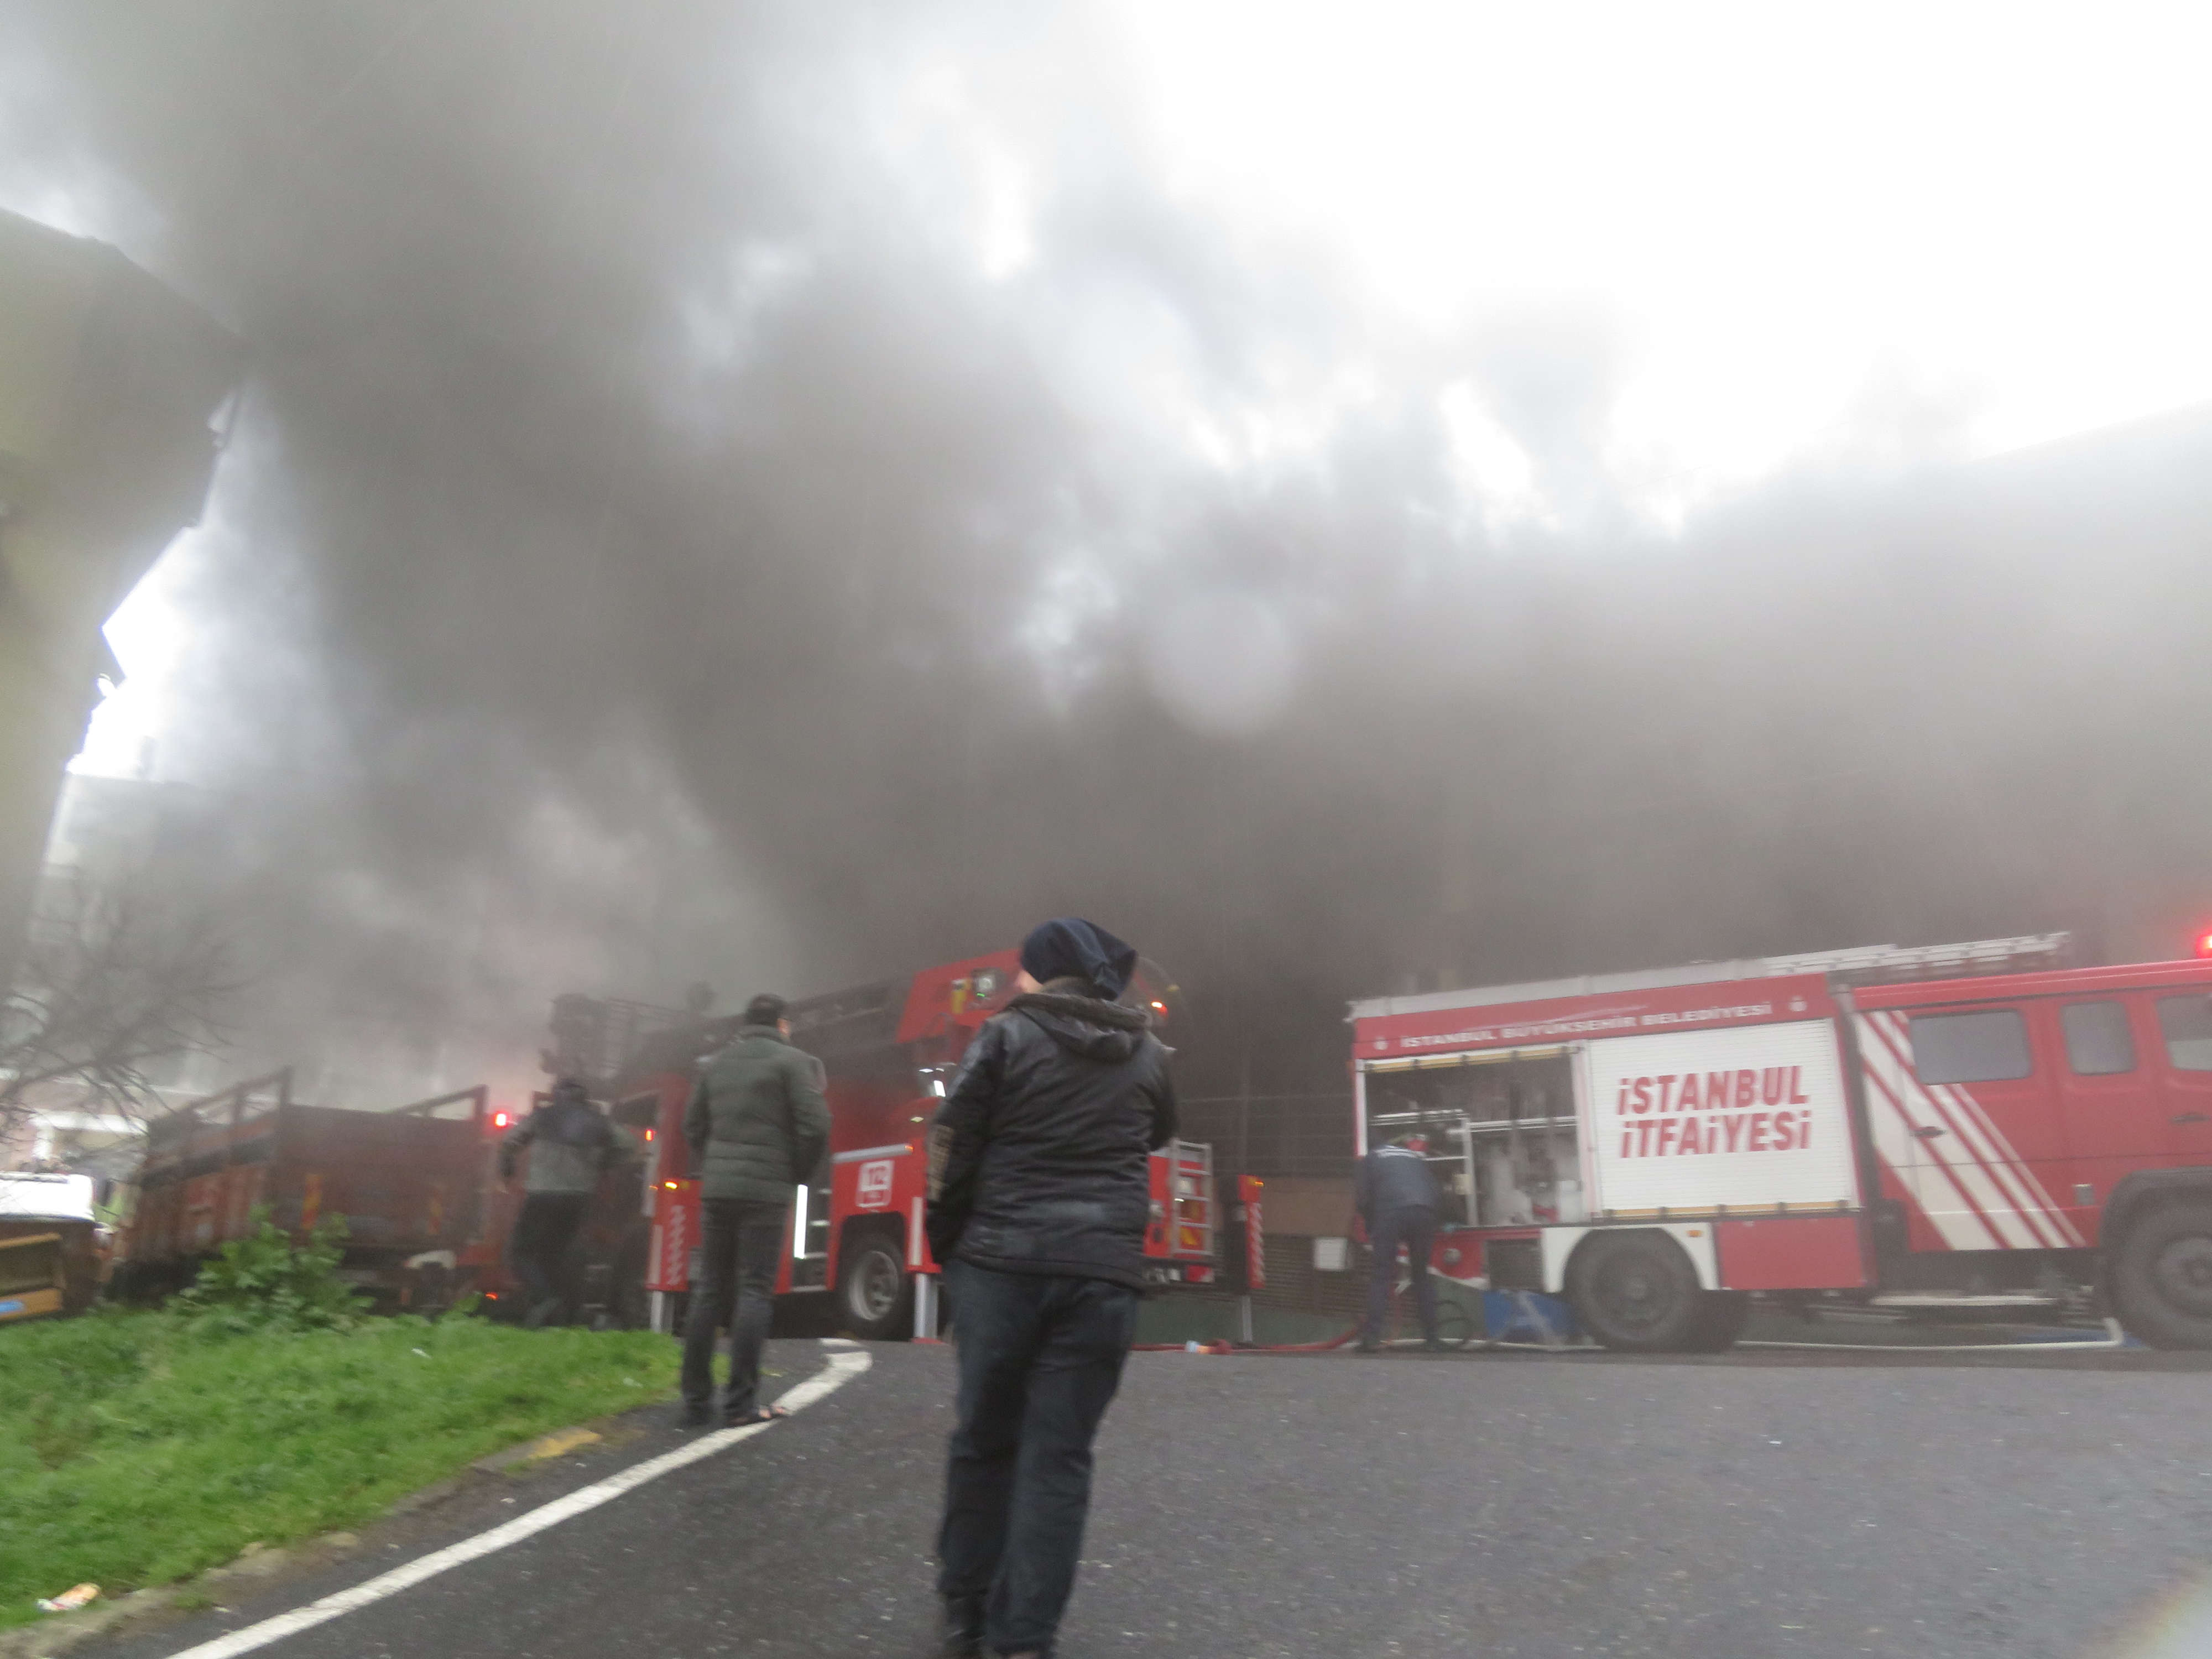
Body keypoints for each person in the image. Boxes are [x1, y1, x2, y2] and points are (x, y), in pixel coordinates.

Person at [926, 917, 1177, 1659]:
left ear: (1042, 974)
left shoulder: (1005, 1036)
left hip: (1002, 1267)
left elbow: (954, 1138)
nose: (1017, 982)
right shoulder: (1148, 1053)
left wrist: (952, 1246)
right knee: (1059, 1456)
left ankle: (969, 1612)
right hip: (1102, 1277)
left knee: (983, 1441)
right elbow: (1157, 1132)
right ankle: (1026, 1638)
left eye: (1023, 970)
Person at [680, 992, 830, 1428]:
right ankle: (740, 1404)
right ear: (783, 1024)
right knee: (754, 1290)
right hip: (766, 1191)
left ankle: (694, 1401)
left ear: (745, 1024)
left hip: (719, 1190)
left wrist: (717, 1162)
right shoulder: (793, 1062)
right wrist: (796, 1171)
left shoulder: (715, 1066)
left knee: (709, 1289)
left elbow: (693, 1125)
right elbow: (817, 1125)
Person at [499, 1077, 627, 1328]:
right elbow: (628, 1145)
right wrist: (604, 1162)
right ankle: (560, 1316)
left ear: (557, 1095)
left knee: (521, 1251)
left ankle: (545, 1299)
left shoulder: (542, 1117)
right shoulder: (597, 1121)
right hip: (579, 1198)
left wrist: (508, 1168)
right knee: (557, 1254)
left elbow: (509, 1142)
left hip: (543, 1194)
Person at [1356, 1130, 1443, 1352]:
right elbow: (1436, 1190)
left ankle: (1372, 1339)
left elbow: (1364, 1199)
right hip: (1425, 1212)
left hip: (1391, 1212)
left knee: (1382, 1276)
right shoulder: (1412, 1156)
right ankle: (1433, 1339)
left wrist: (1371, 1227)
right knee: (1421, 1276)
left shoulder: (1371, 1158)